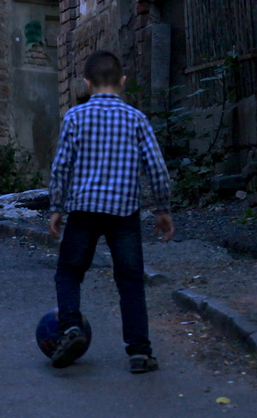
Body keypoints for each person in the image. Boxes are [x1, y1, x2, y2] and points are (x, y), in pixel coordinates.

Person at [45, 50, 174, 374]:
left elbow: (61, 167)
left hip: (84, 210)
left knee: (69, 272)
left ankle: (71, 327)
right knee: (130, 281)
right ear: (123, 82)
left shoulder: (75, 117)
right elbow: (157, 169)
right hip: (124, 213)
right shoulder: (136, 119)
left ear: (87, 84)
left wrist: (56, 208)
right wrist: (163, 210)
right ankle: (140, 353)